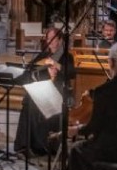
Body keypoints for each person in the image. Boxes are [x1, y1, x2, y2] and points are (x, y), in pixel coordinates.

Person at [13, 27, 76, 155]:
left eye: (54, 39)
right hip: (44, 89)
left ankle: (40, 146)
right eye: (49, 39)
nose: (51, 42)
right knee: (28, 101)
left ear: (60, 40)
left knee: (35, 103)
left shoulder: (66, 56)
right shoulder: (44, 54)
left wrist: (56, 65)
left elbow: (71, 73)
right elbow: (31, 68)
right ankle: (24, 144)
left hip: (58, 91)